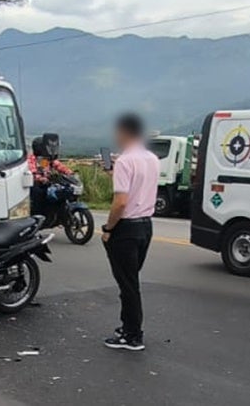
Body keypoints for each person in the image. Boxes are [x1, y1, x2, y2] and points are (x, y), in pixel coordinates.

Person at [101, 112, 158, 351]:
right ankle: (128, 328)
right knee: (131, 280)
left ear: (124, 132)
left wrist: (108, 228)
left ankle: (132, 335)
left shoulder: (125, 160)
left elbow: (121, 203)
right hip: (146, 226)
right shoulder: (152, 158)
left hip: (126, 229)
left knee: (128, 284)